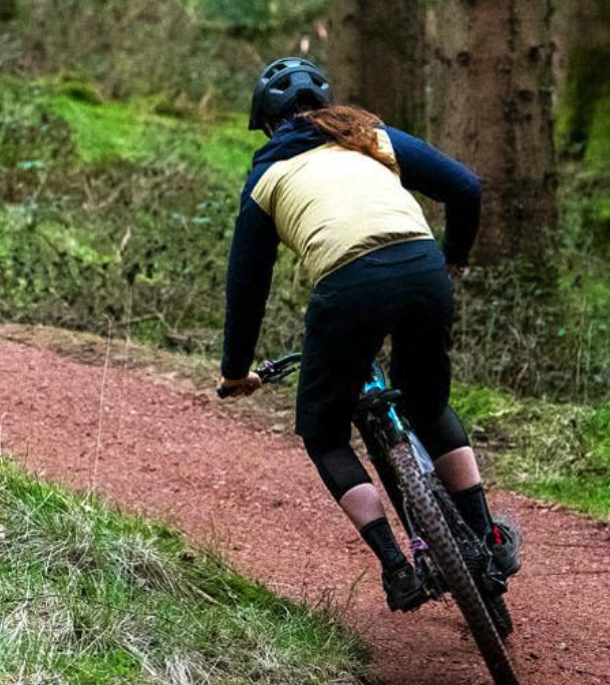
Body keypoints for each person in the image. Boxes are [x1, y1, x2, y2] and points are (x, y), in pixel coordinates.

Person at [218, 56, 521, 612]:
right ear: (325, 104)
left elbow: (247, 286)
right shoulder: (370, 136)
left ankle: (397, 567)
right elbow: (466, 188)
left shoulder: (266, 176)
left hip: (348, 286)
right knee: (428, 406)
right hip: (422, 267)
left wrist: (237, 370)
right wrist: (451, 262)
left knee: (325, 432)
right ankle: (488, 539)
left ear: (267, 123)